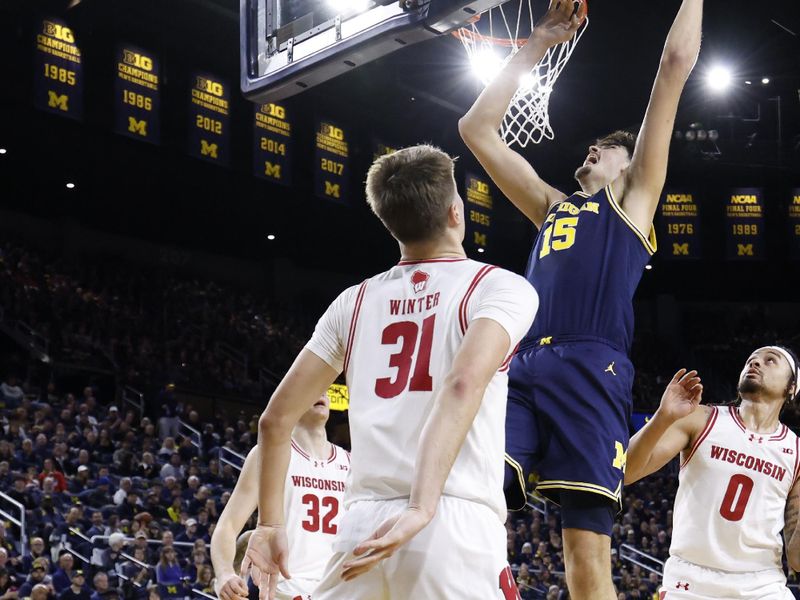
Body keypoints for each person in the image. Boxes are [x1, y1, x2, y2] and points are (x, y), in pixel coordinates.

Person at [458, 0, 703, 597]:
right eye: (591, 145)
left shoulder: (634, 200)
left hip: (593, 367)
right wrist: (537, 44)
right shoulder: (550, 206)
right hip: (523, 366)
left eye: (608, 147)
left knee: (584, 554)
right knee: (465, 492)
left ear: (629, 164)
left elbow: (673, 64)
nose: (593, 149)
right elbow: (475, 130)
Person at [242, 144, 538, 599]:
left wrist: (269, 524)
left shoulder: (353, 302)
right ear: (456, 212)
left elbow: (274, 420)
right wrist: (421, 506)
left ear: (389, 224)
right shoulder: (498, 286)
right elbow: (461, 385)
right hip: (450, 518)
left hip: (359, 524)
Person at [626, 346, 800, 599]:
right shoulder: (701, 419)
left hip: (762, 586)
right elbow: (626, 472)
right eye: (751, 360)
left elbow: (796, 558)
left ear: (792, 387)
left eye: (770, 361)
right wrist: (663, 417)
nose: (755, 364)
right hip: (691, 581)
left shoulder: (795, 452)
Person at [211, 395, 349, 600]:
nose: (321, 392)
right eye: (313, 386)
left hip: (340, 589)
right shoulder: (267, 455)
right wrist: (223, 574)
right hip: (288, 590)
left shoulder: (350, 461)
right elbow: (228, 526)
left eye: (324, 389)